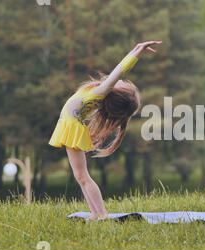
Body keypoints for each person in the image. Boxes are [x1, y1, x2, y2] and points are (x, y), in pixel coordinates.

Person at [49, 41, 162, 221]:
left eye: (123, 84)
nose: (121, 81)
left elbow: (120, 70)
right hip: (70, 126)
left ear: (117, 91)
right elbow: (118, 72)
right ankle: (96, 213)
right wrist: (135, 48)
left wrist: (137, 53)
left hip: (71, 128)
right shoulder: (99, 93)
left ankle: (101, 213)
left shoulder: (101, 92)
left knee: (83, 176)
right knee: (81, 176)